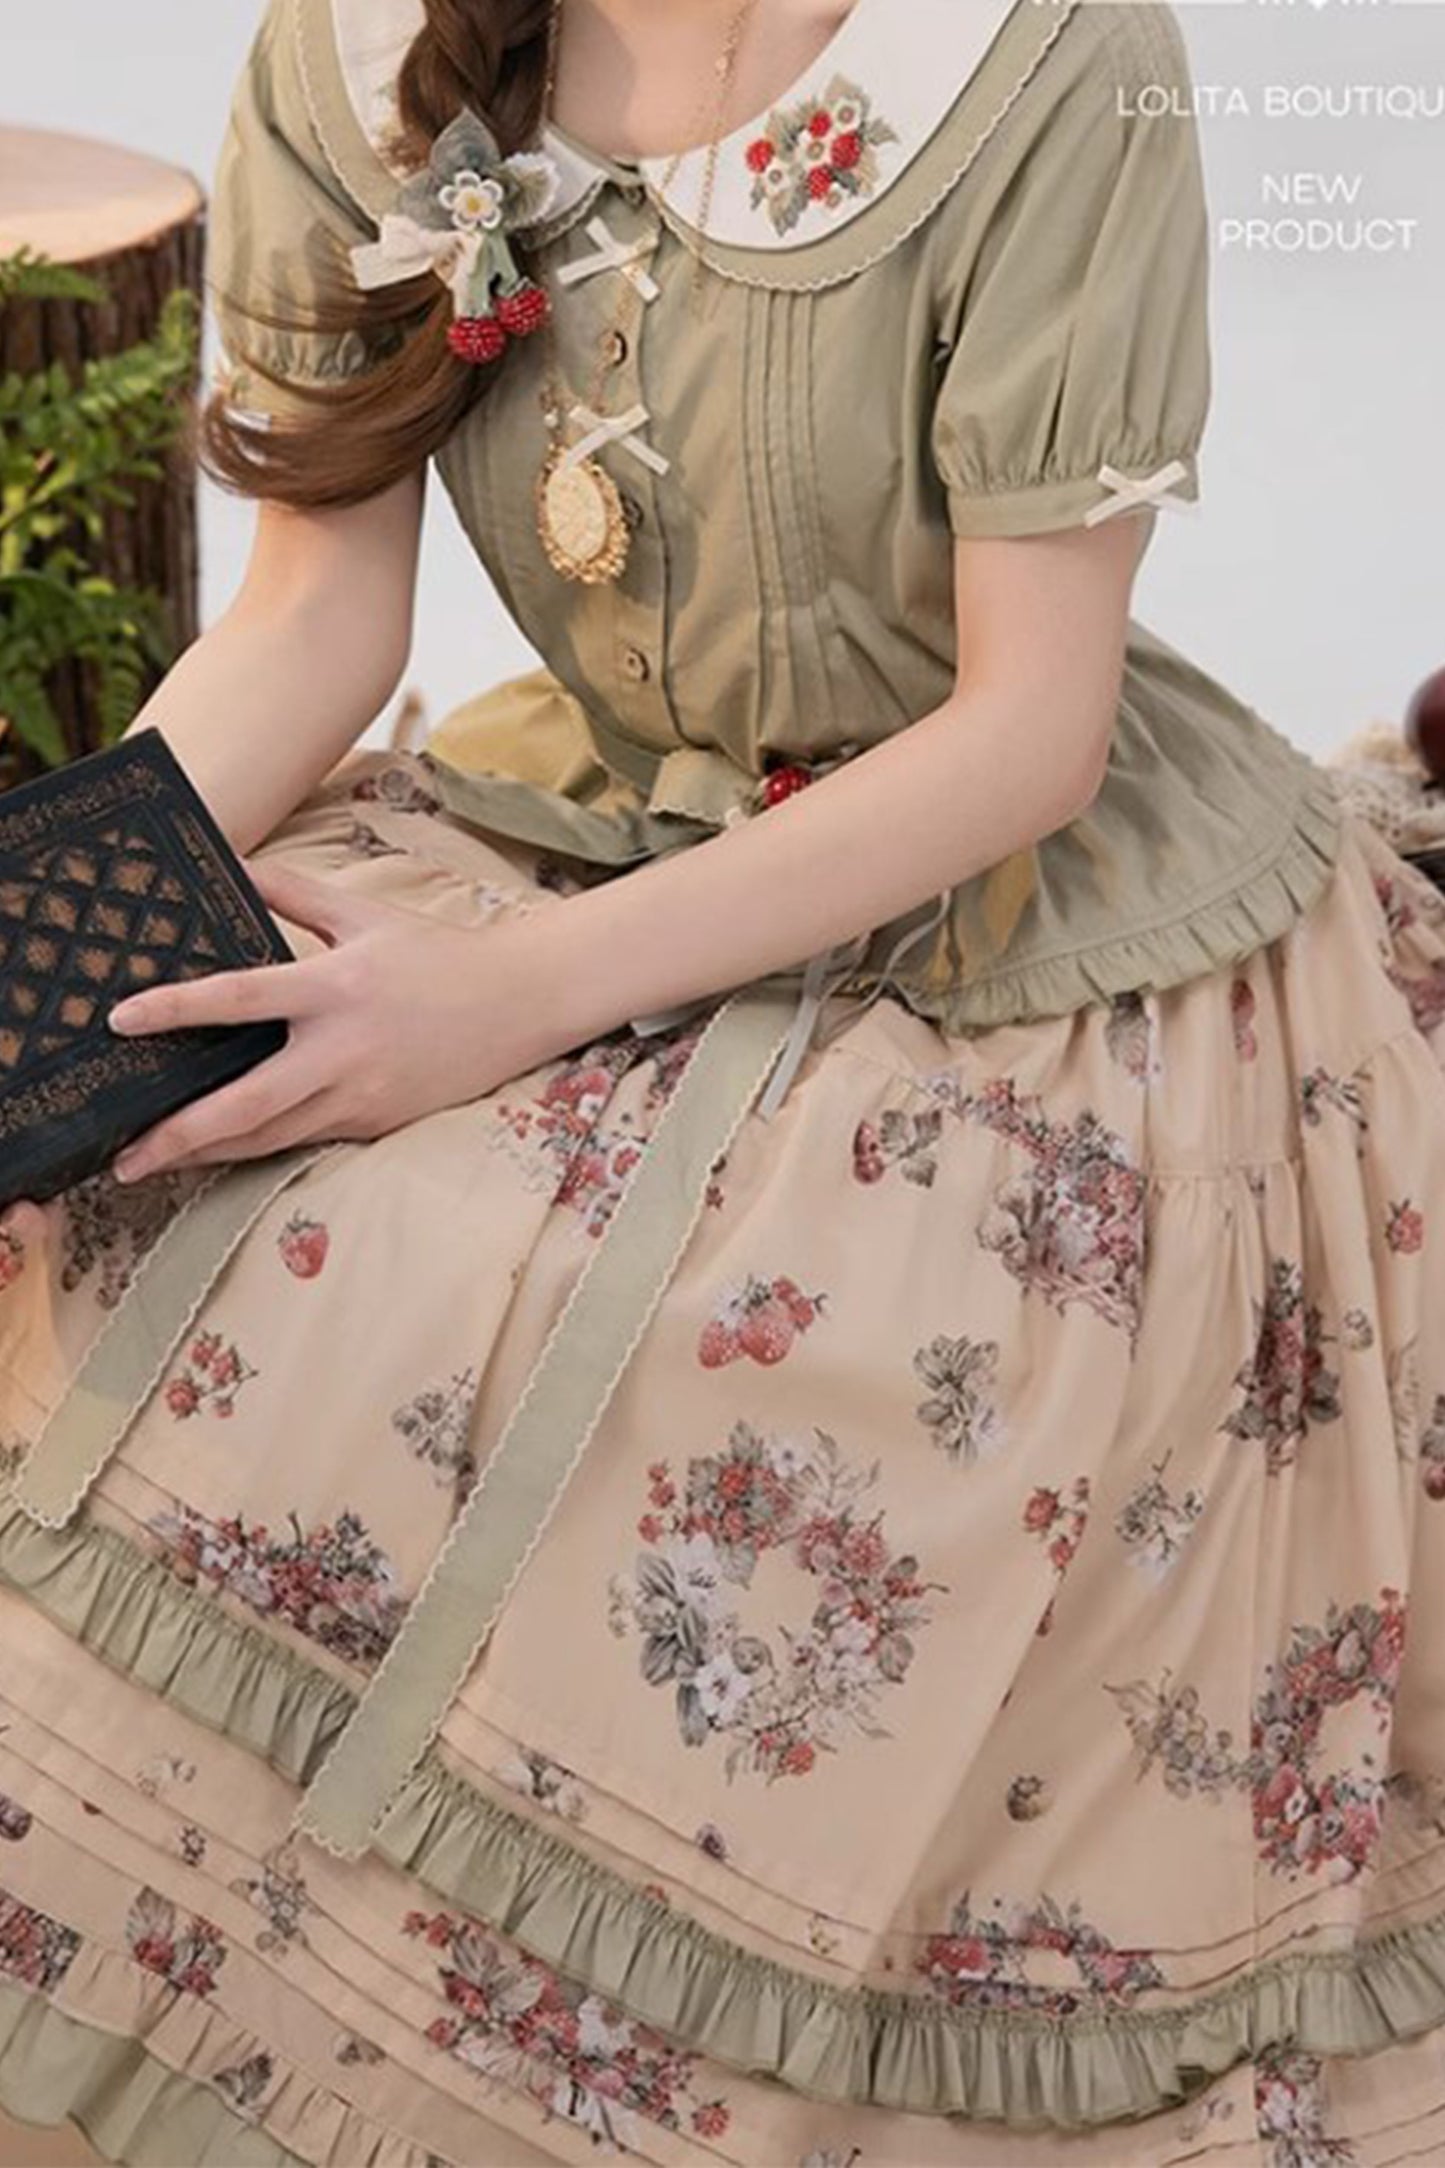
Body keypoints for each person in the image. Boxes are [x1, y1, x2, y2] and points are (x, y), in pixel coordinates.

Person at [2, 0, 1445, 2159]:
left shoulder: (1044, 55)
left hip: (1012, 928)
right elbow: (313, 618)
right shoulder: (357, 49)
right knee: (192, 1212)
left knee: (827, 1386)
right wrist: (39, 969)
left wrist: (504, 1006)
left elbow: (1027, 733)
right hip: (588, 822)